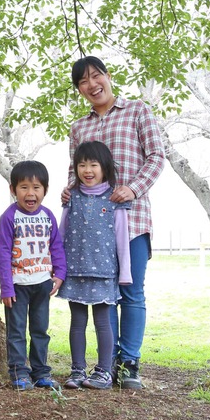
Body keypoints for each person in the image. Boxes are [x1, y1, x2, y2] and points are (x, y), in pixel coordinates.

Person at [64, 55, 166, 390]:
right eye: (83, 82)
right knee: (99, 294)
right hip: (90, 230)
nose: (91, 85)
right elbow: (74, 170)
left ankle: (129, 362)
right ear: (79, 89)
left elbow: (156, 156)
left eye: (96, 76)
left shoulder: (137, 110)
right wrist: (68, 193)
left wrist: (133, 189)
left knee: (130, 291)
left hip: (131, 220)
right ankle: (104, 366)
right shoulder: (79, 127)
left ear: (108, 76)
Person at [58, 140, 131, 390]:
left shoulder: (115, 198)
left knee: (103, 322)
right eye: (81, 165)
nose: (87, 170)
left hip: (104, 272)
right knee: (77, 323)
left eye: (93, 164)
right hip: (75, 270)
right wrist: (57, 267)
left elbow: (122, 238)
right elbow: (62, 232)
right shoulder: (71, 197)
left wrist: (125, 273)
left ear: (105, 167)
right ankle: (77, 369)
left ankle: (103, 371)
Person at [0, 160, 66, 390]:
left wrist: (60, 274)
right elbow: (3, 253)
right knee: (16, 332)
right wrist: (6, 287)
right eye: (24, 187)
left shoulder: (48, 216)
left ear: (45, 190)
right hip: (17, 286)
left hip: (42, 283)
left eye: (36, 187)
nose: (30, 193)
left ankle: (41, 371)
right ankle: (18, 372)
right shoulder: (9, 217)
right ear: (13, 189)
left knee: (40, 330)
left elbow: (56, 247)